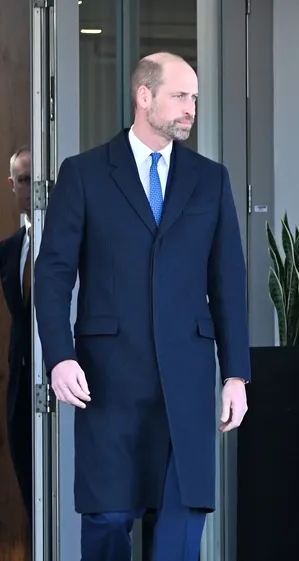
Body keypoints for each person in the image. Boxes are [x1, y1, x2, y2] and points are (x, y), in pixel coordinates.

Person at [34, 51, 250, 561]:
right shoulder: (84, 173)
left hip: (189, 378)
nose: (190, 107)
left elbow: (228, 281)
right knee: (108, 518)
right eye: (180, 95)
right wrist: (60, 356)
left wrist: (236, 374)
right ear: (144, 96)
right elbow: (54, 272)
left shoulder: (210, 179)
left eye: (194, 97)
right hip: (107, 377)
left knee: (180, 525)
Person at [2, 145, 33, 521]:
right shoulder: (8, 251)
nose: (30, 188)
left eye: (33, 179)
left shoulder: (66, 239)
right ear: (12, 185)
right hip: (22, 387)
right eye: (22, 180)